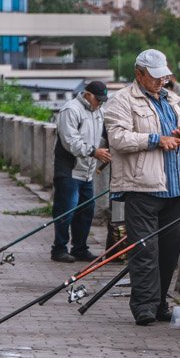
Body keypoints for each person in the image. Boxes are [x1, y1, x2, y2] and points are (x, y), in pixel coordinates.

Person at [103, 49, 180, 326]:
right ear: (139, 74)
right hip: (142, 186)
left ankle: (159, 303)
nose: (161, 82)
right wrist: (157, 140)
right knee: (144, 249)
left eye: (164, 77)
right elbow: (118, 139)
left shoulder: (170, 101)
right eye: (155, 77)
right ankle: (143, 306)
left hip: (173, 186)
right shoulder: (122, 100)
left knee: (171, 248)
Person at [51, 81, 111, 263]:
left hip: (87, 171)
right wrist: (94, 152)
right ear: (87, 94)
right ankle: (59, 249)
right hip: (69, 169)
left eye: (102, 100)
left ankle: (80, 248)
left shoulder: (99, 112)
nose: (99, 103)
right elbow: (70, 141)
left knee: (86, 211)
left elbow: (105, 133)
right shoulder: (71, 110)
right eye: (97, 99)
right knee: (65, 210)